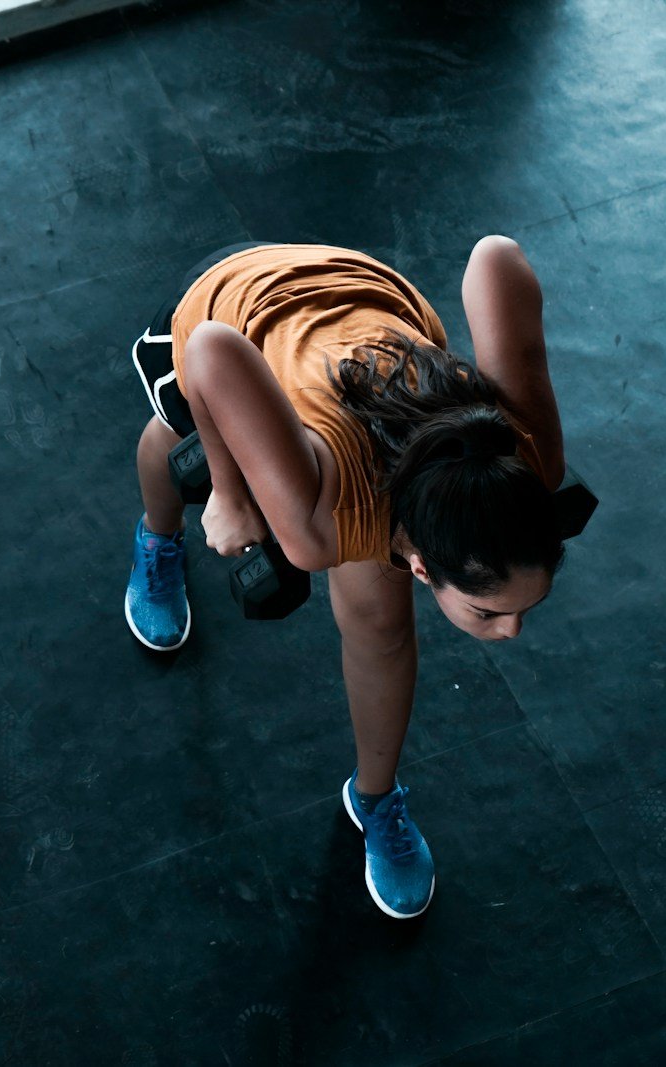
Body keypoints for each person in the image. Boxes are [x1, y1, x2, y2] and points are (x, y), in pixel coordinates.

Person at [125, 238, 566, 919]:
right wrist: (227, 488)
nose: (510, 631)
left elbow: (495, 259)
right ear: (421, 564)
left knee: (382, 628)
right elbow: (212, 349)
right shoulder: (319, 523)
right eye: (488, 612)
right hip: (237, 302)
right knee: (171, 447)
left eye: (518, 611)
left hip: (369, 309)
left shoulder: (527, 464)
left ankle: (374, 796)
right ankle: (156, 540)